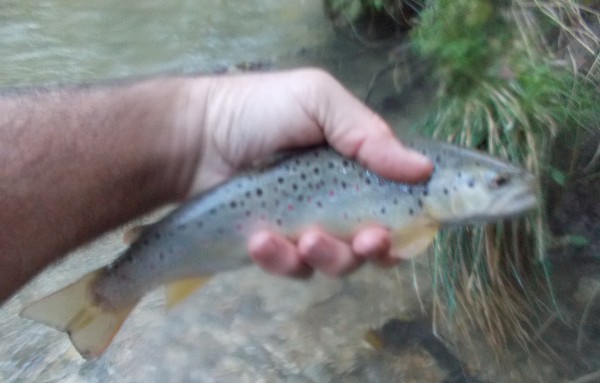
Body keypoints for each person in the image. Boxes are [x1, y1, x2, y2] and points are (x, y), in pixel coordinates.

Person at [0, 69, 432, 303]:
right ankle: (107, 294)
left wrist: (205, 126)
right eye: (498, 183)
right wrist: (205, 123)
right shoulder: (425, 176)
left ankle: (116, 288)